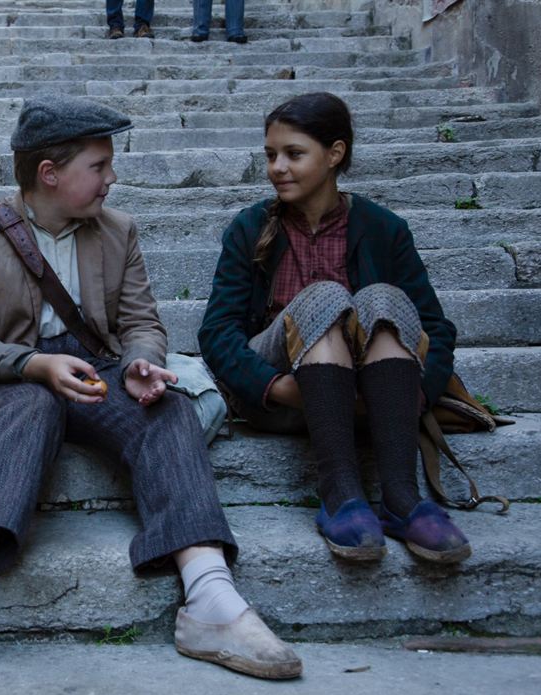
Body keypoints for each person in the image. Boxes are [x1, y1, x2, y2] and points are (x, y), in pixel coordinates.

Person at [0, 94, 302, 686]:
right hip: (12, 377)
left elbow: (142, 322)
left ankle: (211, 602)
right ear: (50, 173)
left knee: (167, 408)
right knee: (34, 405)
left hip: (96, 369)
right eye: (99, 166)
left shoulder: (118, 231)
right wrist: (38, 365)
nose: (111, 178)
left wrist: (143, 363)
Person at [199, 92, 470, 566]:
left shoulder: (384, 228)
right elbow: (217, 331)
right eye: (270, 155)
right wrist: (274, 387)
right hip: (280, 385)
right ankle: (340, 493)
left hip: (371, 392)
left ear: (335, 154)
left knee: (381, 299)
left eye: (293, 154)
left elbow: (434, 327)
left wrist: (411, 394)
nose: (277, 167)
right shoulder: (249, 227)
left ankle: (402, 499)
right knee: (325, 297)